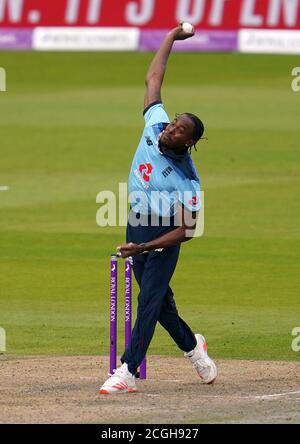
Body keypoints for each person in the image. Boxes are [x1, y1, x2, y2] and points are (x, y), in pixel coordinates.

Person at [99, 24, 217, 394]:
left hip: (164, 234)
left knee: (148, 302)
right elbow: (153, 77)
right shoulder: (154, 122)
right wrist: (170, 37)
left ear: (191, 141)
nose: (170, 129)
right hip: (137, 222)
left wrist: (146, 248)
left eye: (179, 130)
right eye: (173, 123)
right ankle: (193, 347)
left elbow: (188, 230)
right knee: (161, 305)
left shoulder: (188, 179)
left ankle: (127, 372)